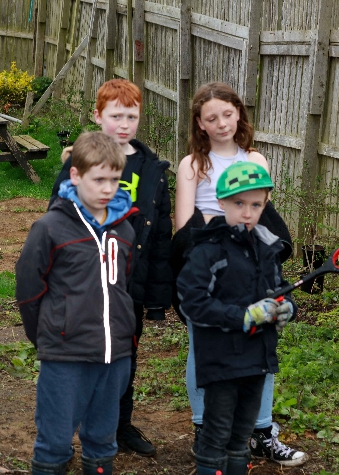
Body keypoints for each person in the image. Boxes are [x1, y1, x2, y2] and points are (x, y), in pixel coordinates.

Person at [171, 81, 306, 467]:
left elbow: (261, 217)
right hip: (211, 265)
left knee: (260, 344)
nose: (221, 123)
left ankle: (261, 430)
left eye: (228, 114)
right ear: (199, 123)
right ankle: (205, 425)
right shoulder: (193, 165)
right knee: (205, 344)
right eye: (211, 117)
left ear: (239, 115)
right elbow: (187, 227)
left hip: (252, 263)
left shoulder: (256, 160)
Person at [49, 79, 173, 457]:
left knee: (124, 359)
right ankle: (64, 435)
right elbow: (57, 218)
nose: (124, 124)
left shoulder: (151, 168)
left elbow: (162, 234)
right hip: (84, 284)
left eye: (131, 116)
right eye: (115, 115)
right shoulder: (78, 163)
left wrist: (155, 299)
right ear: (97, 116)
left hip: (127, 285)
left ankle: (119, 426)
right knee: (79, 360)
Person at [17, 131, 137, 475]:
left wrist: (122, 332)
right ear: (76, 175)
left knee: (102, 439)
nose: (107, 188)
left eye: (114, 180)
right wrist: (49, 333)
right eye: (98, 179)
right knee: (55, 440)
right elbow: (28, 288)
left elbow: (125, 283)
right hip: (65, 355)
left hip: (114, 356)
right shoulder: (50, 228)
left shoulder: (124, 229)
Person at [177, 161, 297, 475]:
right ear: (221, 202)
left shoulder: (266, 247)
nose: (247, 213)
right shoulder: (208, 249)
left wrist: (286, 307)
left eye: (256, 205)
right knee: (216, 436)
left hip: (257, 359)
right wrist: (242, 316)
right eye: (239, 203)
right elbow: (193, 301)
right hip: (221, 360)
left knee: (242, 437)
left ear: (265, 204)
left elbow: (277, 290)